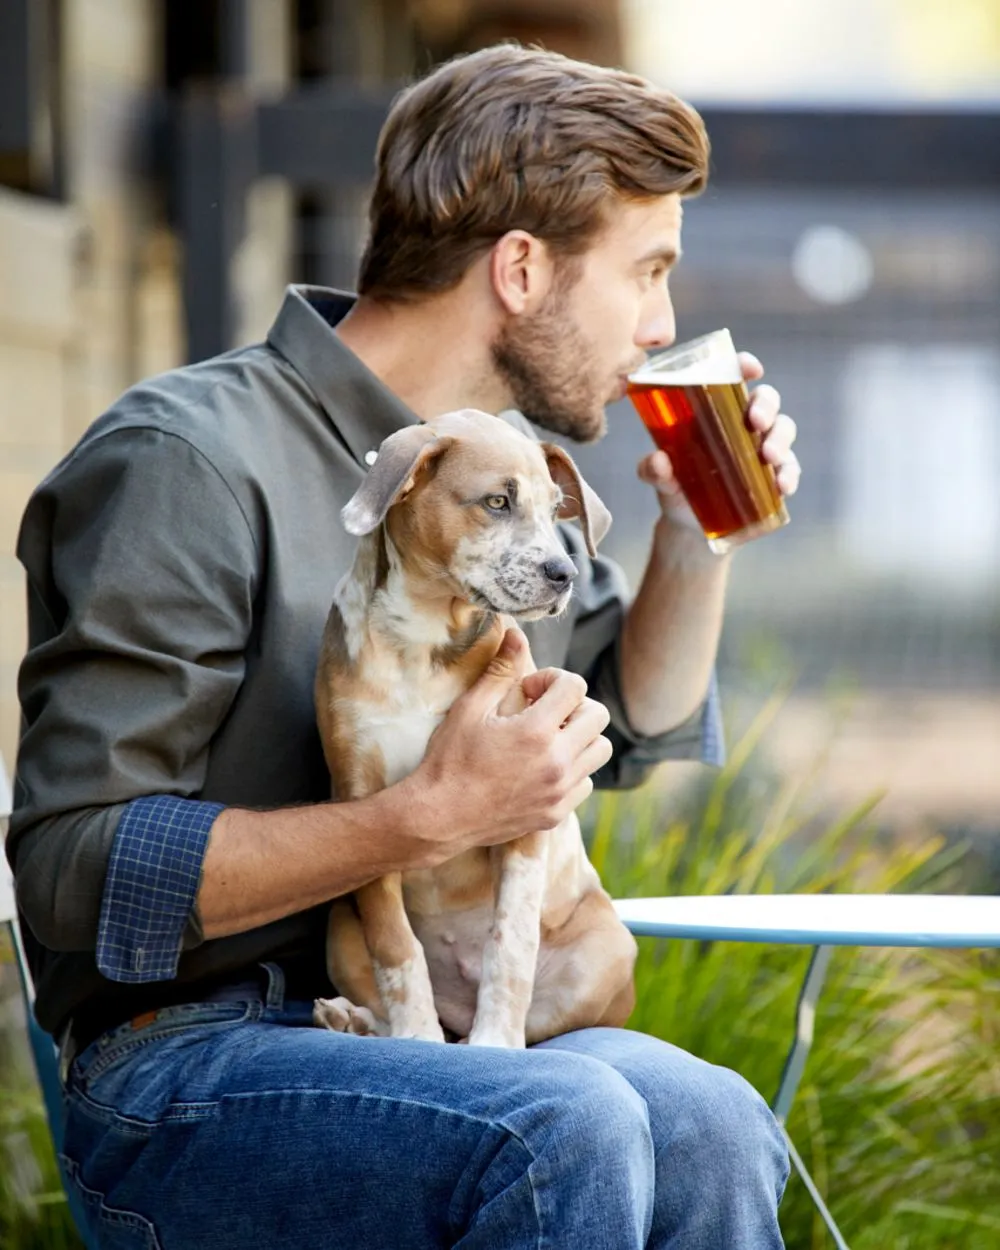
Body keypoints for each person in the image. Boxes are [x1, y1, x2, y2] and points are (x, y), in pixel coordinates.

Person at [8, 44, 800, 1250]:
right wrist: (419, 816)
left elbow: (624, 723)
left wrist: (697, 535)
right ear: (523, 269)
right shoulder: (191, 460)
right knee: (565, 1119)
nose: (663, 322)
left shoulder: (508, 482)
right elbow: (75, 867)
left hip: (457, 1014)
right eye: (646, 271)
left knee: (716, 1121)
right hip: (194, 1058)